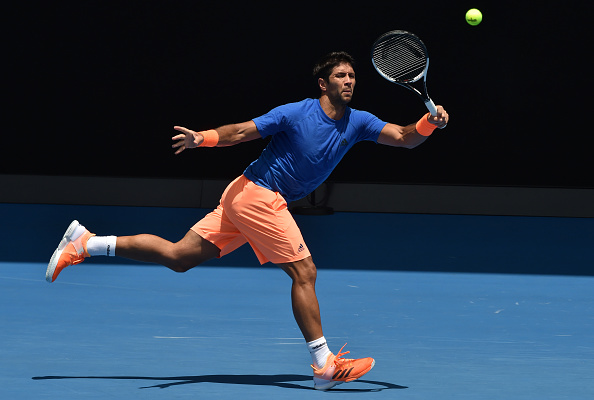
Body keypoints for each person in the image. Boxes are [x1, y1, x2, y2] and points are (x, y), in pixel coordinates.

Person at [46, 51, 449, 390]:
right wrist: (200, 138)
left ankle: (86, 242)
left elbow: (403, 136)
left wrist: (430, 122)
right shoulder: (297, 113)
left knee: (178, 256)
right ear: (323, 84)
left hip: (245, 196)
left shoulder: (357, 121)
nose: (349, 81)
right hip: (258, 196)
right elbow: (241, 131)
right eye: (341, 75)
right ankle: (325, 365)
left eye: (353, 76)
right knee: (304, 272)